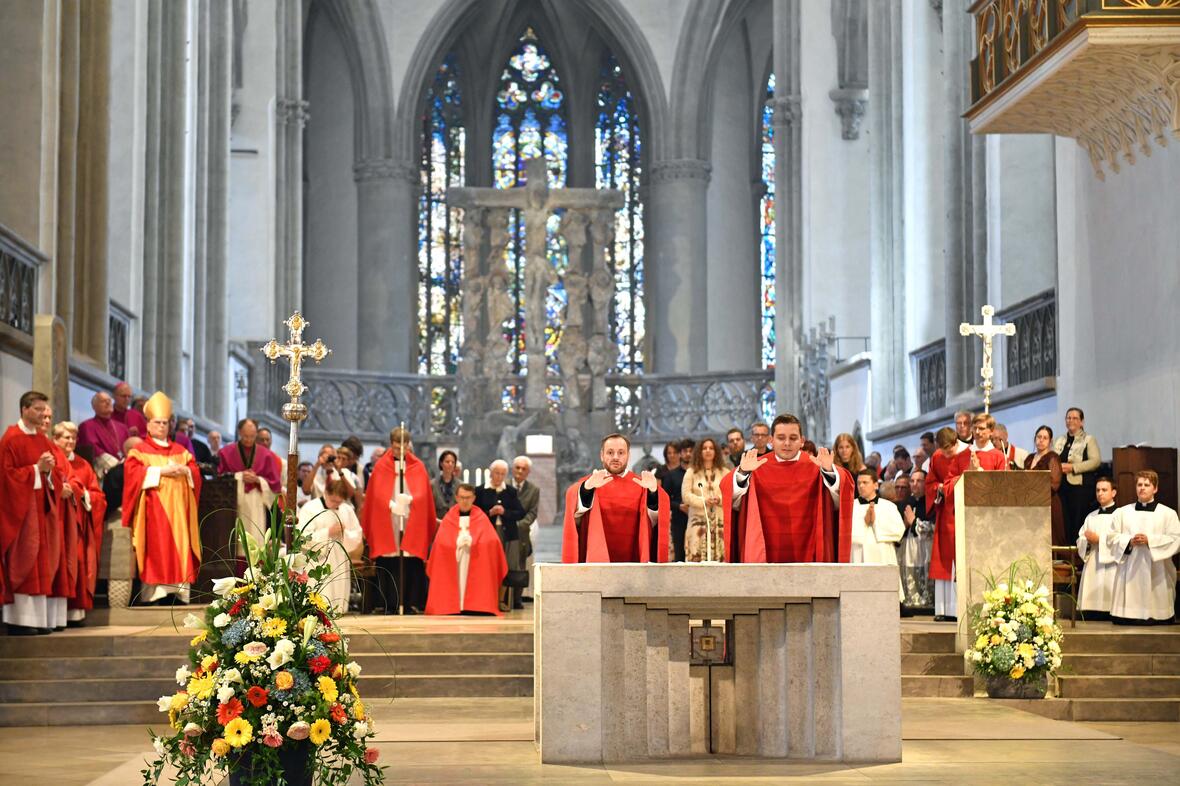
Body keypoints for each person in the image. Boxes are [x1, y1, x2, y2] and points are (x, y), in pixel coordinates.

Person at [722, 414, 852, 563]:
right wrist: (743, 473)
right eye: (781, 437)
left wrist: (829, 471)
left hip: (810, 548)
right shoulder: (755, 466)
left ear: (802, 441)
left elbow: (841, 496)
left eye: (793, 438)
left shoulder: (817, 465)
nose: (787, 443)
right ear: (771, 440)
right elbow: (732, 499)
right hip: (766, 547)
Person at [122, 392, 202, 605]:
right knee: (157, 550)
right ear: (148, 424)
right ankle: (154, 595)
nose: (161, 426)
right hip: (154, 510)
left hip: (180, 511)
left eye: (165, 423)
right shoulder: (139, 450)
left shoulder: (181, 451)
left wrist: (185, 470)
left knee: (180, 548)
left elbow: (195, 471)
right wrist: (161, 472)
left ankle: (178, 593)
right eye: (157, 422)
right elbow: (132, 474)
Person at [362, 426, 437, 614]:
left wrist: (412, 500)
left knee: (409, 560)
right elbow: (375, 495)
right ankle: (389, 602)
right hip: (388, 519)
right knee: (389, 559)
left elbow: (423, 494)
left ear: (408, 446)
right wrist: (389, 504)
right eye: (396, 448)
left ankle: (410, 602)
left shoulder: (417, 466)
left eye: (403, 448)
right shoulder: (381, 466)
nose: (400, 452)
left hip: (410, 519)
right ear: (391, 444)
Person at [561, 433, 671, 563]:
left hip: (633, 558)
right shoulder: (590, 483)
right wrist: (587, 489)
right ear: (602, 455)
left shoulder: (641, 484)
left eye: (621, 453)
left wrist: (652, 492)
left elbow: (653, 520)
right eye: (610, 452)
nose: (615, 457)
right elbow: (574, 508)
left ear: (628, 456)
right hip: (598, 560)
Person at [1, 392, 59, 634]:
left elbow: (52, 473)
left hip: (40, 506)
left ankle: (37, 620)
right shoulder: (11, 439)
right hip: (21, 509)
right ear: (24, 409)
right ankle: (19, 621)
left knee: (41, 561)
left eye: (44, 409)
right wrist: (37, 469)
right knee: (24, 559)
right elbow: (6, 476)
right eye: (37, 409)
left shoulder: (43, 440)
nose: (43, 414)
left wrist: (47, 472)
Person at [1105, 470, 1180, 625]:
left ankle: (1157, 615)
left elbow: (1176, 539)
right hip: (1130, 568)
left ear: (1155, 488)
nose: (1142, 488)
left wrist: (1150, 540)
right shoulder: (1122, 513)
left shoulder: (1168, 514)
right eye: (1139, 484)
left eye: (1147, 485)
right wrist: (1128, 541)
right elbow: (1111, 538)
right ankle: (1128, 614)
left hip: (1157, 569)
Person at [53, 421, 107, 626]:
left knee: (79, 565)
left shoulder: (83, 465)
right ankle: (56, 616)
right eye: (66, 437)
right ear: (55, 439)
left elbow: (98, 497)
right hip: (58, 523)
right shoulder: (54, 461)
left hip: (79, 526)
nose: (70, 441)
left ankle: (74, 615)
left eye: (73, 438)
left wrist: (82, 494)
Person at [426, 483, 507, 616]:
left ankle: (475, 605)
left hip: (475, 560)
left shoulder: (481, 517)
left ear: (474, 498)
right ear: (456, 498)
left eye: (468, 497)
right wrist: (455, 543)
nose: (465, 501)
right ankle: (454, 605)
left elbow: (492, 542)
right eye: (462, 497)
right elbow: (440, 543)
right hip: (454, 561)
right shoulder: (449, 518)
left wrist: (475, 543)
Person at [217, 418, 282, 558]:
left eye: (252, 437)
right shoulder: (226, 452)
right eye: (245, 436)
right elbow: (219, 479)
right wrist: (239, 476)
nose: (248, 440)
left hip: (257, 501)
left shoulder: (266, 455)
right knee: (235, 540)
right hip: (234, 503)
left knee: (256, 540)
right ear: (239, 432)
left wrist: (258, 479)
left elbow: (275, 484)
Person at [296, 478, 363, 614]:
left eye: (339, 502)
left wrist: (345, 533)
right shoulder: (310, 508)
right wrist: (327, 532)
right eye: (333, 501)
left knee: (337, 598)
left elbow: (357, 534)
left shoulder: (347, 510)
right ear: (326, 492)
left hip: (338, 558)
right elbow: (302, 536)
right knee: (320, 597)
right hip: (317, 561)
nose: (335, 505)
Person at [476, 459, 526, 612]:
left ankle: (501, 599)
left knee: (505, 566)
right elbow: (475, 513)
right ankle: (486, 599)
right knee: (487, 566)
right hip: (486, 534)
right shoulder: (480, 491)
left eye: (503, 474)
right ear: (491, 473)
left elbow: (520, 513)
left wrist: (505, 512)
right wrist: (489, 513)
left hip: (507, 534)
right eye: (497, 473)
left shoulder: (510, 491)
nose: (499, 477)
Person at [926, 427, 965, 622]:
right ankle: (944, 609)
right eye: (943, 450)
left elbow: (969, 480)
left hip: (961, 513)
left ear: (956, 442)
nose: (946, 454)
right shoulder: (936, 457)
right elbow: (930, 482)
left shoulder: (968, 453)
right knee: (944, 559)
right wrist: (938, 489)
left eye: (949, 450)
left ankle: (960, 609)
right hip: (944, 513)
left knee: (960, 558)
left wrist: (949, 485)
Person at [850, 469, 905, 602]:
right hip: (859, 555)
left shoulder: (889, 506)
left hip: (882, 555)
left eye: (865, 482)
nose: (861, 486)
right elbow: (845, 533)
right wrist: (864, 522)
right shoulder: (851, 506)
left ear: (876, 485)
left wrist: (875, 523)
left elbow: (899, 530)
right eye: (859, 483)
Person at [1054, 407, 1101, 545]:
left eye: (1075, 418)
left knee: (1076, 520)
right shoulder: (1059, 440)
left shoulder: (1089, 439)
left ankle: (1077, 553)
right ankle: (1065, 554)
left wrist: (1073, 467)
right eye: (1068, 418)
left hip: (1079, 487)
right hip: (1060, 486)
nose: (1071, 420)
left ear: (1082, 422)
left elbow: (1095, 461)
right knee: (1063, 520)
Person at [1076, 477, 1119, 620]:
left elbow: (1123, 540)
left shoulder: (1121, 515)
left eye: (1104, 490)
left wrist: (1099, 539)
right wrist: (1086, 541)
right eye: (1098, 490)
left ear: (1113, 492)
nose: (1100, 493)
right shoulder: (1091, 516)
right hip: (1093, 563)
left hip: (1113, 565)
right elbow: (1081, 538)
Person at [682, 437, 726, 562]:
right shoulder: (691, 472)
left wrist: (719, 499)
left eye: (711, 448)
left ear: (716, 451)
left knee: (720, 560)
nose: (708, 451)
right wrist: (703, 500)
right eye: (704, 448)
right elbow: (685, 496)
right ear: (699, 452)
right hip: (698, 523)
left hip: (719, 524)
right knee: (696, 560)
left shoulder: (724, 472)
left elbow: (731, 495)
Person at [898, 468, 934, 611]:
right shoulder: (906, 503)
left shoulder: (932, 503)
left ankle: (927, 603)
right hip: (909, 546)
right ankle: (912, 603)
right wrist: (906, 524)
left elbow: (934, 527)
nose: (915, 484)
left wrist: (914, 522)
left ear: (926, 483)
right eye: (912, 481)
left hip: (926, 546)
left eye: (919, 481)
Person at [1023, 425, 1065, 545]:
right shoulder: (1029, 458)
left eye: (1045, 438)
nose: (1041, 440)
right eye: (1039, 437)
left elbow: (1055, 483)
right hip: (1030, 503)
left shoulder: (1053, 457)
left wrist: (1036, 491)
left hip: (1048, 503)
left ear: (1050, 441)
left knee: (1049, 538)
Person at [76, 391, 129, 479]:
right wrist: (117, 466)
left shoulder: (122, 427)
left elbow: (129, 448)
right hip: (104, 475)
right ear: (94, 407)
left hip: (125, 471)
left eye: (109, 400)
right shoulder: (87, 426)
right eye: (103, 401)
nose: (108, 402)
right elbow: (94, 450)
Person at [512, 455, 540, 604]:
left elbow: (533, 512)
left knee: (521, 565)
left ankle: (517, 598)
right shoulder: (504, 485)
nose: (520, 471)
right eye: (517, 467)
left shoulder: (534, 490)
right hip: (505, 532)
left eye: (524, 469)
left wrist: (521, 525)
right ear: (512, 469)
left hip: (523, 532)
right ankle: (504, 598)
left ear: (528, 472)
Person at [657, 441, 688, 561]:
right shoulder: (662, 471)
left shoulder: (689, 470)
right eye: (669, 453)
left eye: (675, 452)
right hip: (673, 512)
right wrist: (678, 506)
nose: (672, 455)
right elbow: (661, 495)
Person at [432, 450, 460, 515]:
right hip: (437, 522)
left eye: (453, 462)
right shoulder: (432, 484)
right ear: (441, 463)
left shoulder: (460, 485)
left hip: (454, 522)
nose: (450, 464)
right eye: (447, 462)